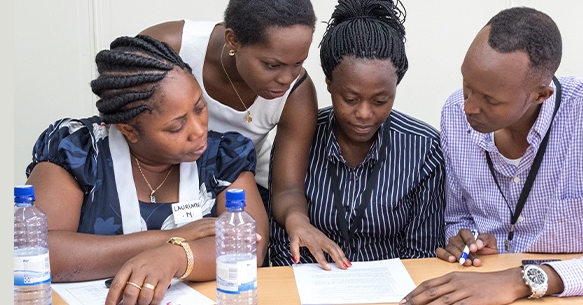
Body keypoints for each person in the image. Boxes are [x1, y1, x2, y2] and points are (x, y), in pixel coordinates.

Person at [402, 7, 583, 305]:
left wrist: (527, 279)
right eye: (467, 85)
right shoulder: (454, 114)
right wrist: (468, 239)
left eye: (490, 100)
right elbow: (458, 217)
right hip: (484, 286)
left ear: (541, 95)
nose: (469, 107)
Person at [24, 35, 270, 305]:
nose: (199, 131)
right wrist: (168, 238)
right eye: (176, 127)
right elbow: (37, 252)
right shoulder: (78, 150)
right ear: (128, 130)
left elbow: (250, 247)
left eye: (200, 108)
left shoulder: (223, 156)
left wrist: (177, 256)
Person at [139, 0, 341, 267]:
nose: (286, 78)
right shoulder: (171, 47)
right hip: (163, 177)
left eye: (298, 63)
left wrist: (298, 220)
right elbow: (126, 112)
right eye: (272, 65)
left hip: (239, 188)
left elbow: (288, 189)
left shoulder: (297, 92)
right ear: (233, 40)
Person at [268, 0, 446, 269]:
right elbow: (282, 243)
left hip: (395, 289)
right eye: (350, 99)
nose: (364, 113)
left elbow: (422, 255)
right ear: (329, 84)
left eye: (380, 101)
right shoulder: (300, 138)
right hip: (310, 284)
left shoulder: (424, 150)